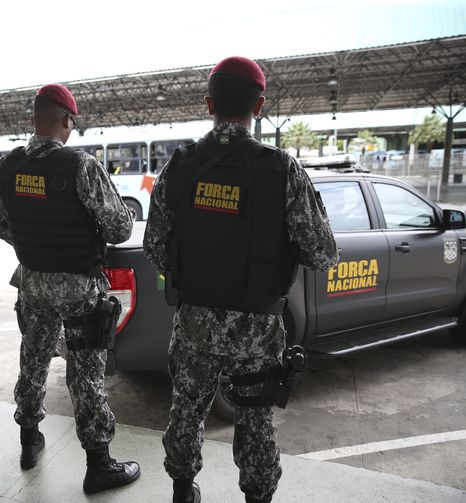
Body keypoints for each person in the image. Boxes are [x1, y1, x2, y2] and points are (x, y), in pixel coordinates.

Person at [143, 57, 338, 503]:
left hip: (193, 321)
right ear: (260, 105)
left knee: (187, 409)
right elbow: (323, 254)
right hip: (258, 328)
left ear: (209, 103)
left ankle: (181, 490)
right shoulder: (283, 171)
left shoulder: (179, 167)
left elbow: (155, 245)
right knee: (254, 420)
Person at [0, 84, 141, 494]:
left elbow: (4, 228)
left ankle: (29, 441)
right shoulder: (80, 164)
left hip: (33, 282)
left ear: (33, 118)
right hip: (79, 285)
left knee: (33, 361)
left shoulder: (5, 167)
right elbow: (119, 227)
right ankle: (98, 464)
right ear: (67, 120)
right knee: (85, 375)